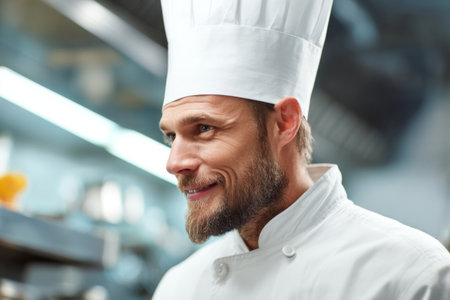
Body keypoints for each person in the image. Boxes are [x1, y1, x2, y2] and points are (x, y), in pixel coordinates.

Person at [153, 0, 450, 299]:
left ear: (285, 123)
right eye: (171, 136)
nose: (174, 162)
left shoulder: (410, 275)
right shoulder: (177, 288)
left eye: (204, 128)